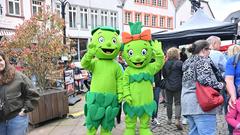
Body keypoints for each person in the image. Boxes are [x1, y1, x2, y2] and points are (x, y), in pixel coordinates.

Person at [181, 40, 225, 135]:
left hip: (188, 103)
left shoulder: (187, 62)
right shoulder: (202, 61)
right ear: (203, 50)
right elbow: (204, 79)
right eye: (209, 49)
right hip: (201, 104)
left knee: (194, 132)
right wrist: (220, 85)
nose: (209, 52)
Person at [0, 51, 40, 135]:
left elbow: (33, 94)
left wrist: (24, 110)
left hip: (16, 119)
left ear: (4, 61)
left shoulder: (17, 76)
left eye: (0, 60)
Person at [162, 47, 183, 130]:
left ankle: (169, 119)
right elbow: (183, 74)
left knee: (169, 103)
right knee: (178, 103)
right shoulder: (180, 63)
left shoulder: (165, 63)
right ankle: (177, 119)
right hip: (178, 85)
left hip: (168, 86)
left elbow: (164, 75)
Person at [225, 51, 240, 135]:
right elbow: (229, 79)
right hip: (237, 98)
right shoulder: (234, 60)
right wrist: (233, 96)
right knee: (232, 128)